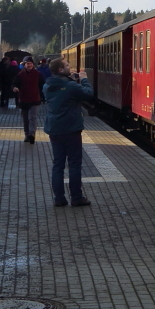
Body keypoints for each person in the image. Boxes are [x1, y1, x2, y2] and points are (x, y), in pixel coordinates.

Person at [43, 58, 94, 207]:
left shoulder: (47, 86)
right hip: (71, 129)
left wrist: (69, 81)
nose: (69, 68)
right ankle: (76, 198)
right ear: (60, 69)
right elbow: (88, 93)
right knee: (74, 164)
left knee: (58, 164)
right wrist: (83, 80)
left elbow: (62, 92)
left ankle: (59, 198)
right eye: (66, 66)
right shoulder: (71, 86)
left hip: (54, 129)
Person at [14, 57, 43, 143]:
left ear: (33, 64)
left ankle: (32, 134)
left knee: (32, 117)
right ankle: (27, 134)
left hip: (35, 99)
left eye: (30, 63)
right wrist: (15, 87)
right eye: (27, 63)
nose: (29, 65)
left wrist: (42, 95)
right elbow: (14, 83)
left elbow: (42, 84)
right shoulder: (20, 74)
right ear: (24, 65)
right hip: (24, 99)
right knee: (25, 118)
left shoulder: (38, 74)